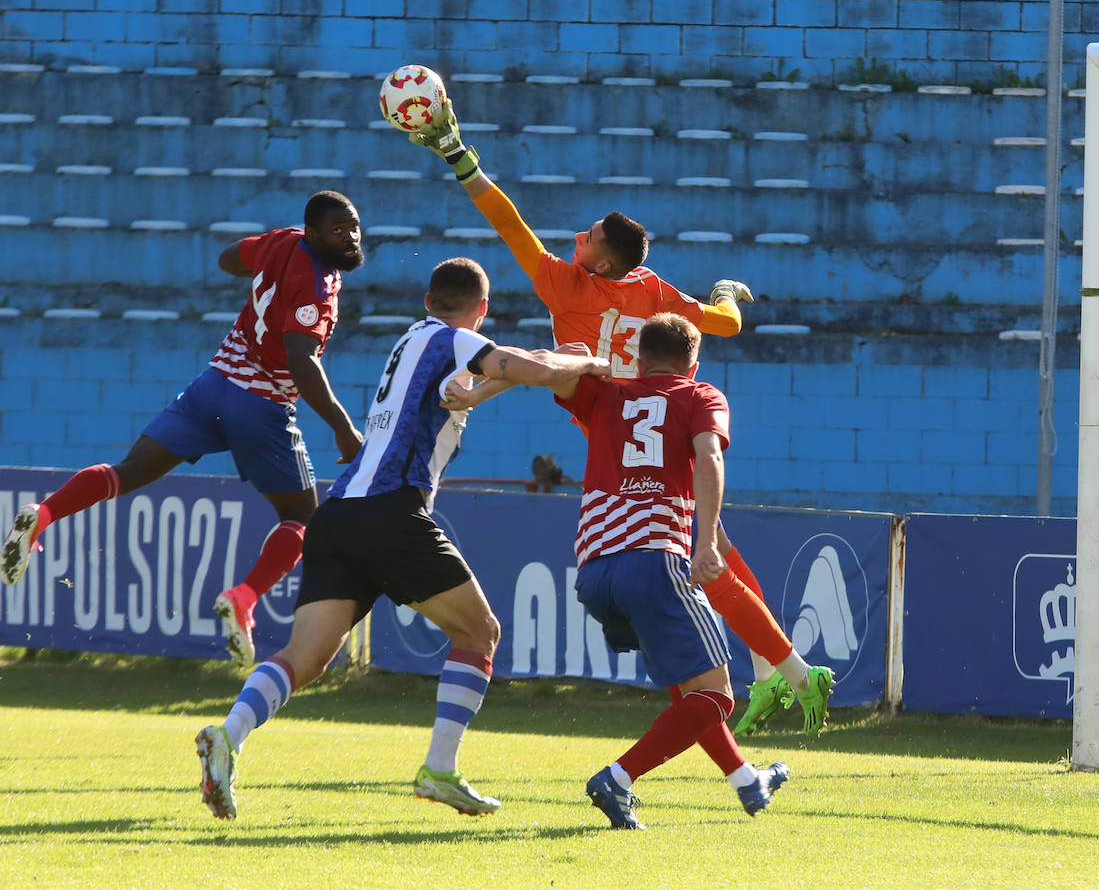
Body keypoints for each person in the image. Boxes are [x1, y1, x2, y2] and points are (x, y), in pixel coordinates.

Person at [409, 102, 832, 737]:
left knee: (699, 556)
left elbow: (509, 225)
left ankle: (796, 676)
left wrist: (458, 156)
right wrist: (724, 293)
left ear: (600, 263)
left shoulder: (565, 285)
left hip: (618, 439)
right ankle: (774, 669)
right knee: (713, 548)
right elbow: (723, 325)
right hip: (668, 428)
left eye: (586, 238)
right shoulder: (651, 288)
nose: (575, 239)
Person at [194, 256, 613, 821]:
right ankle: (439, 768)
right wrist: (587, 363)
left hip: (338, 513)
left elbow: (493, 376)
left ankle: (229, 734)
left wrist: (533, 370)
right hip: (392, 510)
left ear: (427, 300)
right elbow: (517, 364)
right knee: (479, 632)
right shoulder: (455, 339)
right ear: (480, 311)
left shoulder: (413, 340)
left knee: (306, 657)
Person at [1, 191, 367, 667]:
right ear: (315, 233)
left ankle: (43, 515)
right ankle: (243, 598)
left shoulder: (283, 241)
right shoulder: (318, 286)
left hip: (213, 384)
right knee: (302, 519)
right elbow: (301, 361)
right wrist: (343, 428)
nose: (350, 237)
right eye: (338, 230)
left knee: (128, 471)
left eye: (354, 226)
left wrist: (267, 272)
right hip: (261, 403)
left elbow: (228, 259)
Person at [546, 311, 787, 828]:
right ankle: (617, 778)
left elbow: (556, 361)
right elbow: (709, 458)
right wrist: (705, 542)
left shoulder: (605, 393)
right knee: (717, 696)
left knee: (688, 687)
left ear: (637, 355)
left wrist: (596, 363)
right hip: (656, 559)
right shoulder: (701, 397)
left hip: (594, 571)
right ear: (693, 361)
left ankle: (747, 780)